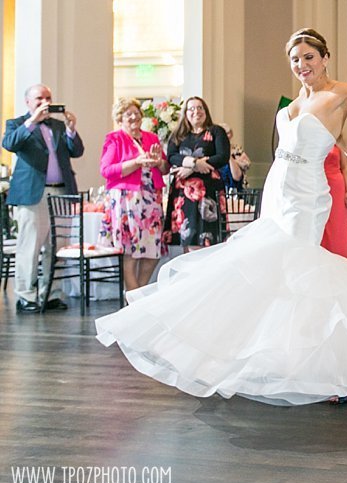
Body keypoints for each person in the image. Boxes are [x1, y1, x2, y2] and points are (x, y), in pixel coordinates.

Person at [95, 27, 347, 405]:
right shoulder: (294, 102)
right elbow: (315, 136)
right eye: (295, 60)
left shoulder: (339, 93)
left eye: (308, 57)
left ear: (325, 58)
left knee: (305, 271)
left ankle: (339, 368)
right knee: (272, 269)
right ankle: (275, 357)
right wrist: (346, 147)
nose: (301, 65)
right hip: (278, 189)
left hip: (306, 194)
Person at [2, 84, 84, 313]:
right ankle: (26, 296)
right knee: (29, 246)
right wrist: (32, 122)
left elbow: (76, 151)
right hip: (33, 194)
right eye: (39, 98)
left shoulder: (58, 125)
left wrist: (71, 129)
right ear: (28, 102)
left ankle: (51, 294)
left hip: (61, 192)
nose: (45, 102)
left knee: (56, 247)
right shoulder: (17, 124)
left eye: (48, 97)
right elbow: (9, 144)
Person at [99, 98, 169, 292]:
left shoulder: (151, 138)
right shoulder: (114, 138)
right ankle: (134, 300)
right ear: (120, 118)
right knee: (130, 251)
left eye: (136, 112)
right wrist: (136, 162)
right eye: (128, 113)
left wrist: (157, 163)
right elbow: (106, 170)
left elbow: (165, 168)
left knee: (152, 252)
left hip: (150, 200)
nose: (134, 116)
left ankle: (137, 292)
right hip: (126, 201)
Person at [162, 97, 229, 249]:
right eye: (191, 109)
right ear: (185, 113)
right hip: (183, 193)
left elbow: (222, 156)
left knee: (207, 240)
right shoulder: (178, 135)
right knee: (188, 238)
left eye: (200, 108)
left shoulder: (216, 131)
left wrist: (193, 167)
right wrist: (194, 163)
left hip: (209, 190)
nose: (196, 112)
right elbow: (172, 156)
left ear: (206, 111)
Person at [320, 144, 347, 259]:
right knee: (323, 223)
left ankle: (341, 258)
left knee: (337, 224)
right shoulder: (316, 138)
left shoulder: (338, 142)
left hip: (337, 186)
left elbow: (345, 167)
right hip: (319, 184)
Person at [217, 123, 251, 191]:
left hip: (237, 185)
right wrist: (238, 161)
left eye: (228, 133)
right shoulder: (214, 150)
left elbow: (247, 164)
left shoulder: (236, 149)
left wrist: (233, 161)